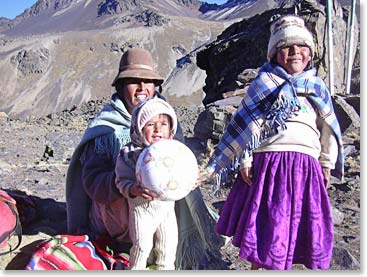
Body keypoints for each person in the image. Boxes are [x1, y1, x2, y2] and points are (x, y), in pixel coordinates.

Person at [204, 15, 344, 270]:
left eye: (301, 46)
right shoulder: (263, 85)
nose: (294, 52)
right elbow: (246, 126)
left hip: (305, 167)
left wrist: (326, 162)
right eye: (286, 47)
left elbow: (328, 130)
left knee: (295, 227)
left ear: (310, 54)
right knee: (266, 230)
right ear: (274, 53)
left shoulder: (316, 88)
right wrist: (245, 160)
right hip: (269, 165)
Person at [65, 47, 225, 269]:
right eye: (133, 81)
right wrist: (130, 185)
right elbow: (92, 180)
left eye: (148, 81)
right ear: (121, 87)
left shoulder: (166, 121)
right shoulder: (106, 131)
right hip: (119, 217)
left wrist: (187, 178)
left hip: (160, 210)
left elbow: (179, 165)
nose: (142, 88)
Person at [115, 98, 179, 270]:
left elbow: (182, 174)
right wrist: (133, 189)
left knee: (168, 245)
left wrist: (189, 182)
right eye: (150, 124)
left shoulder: (174, 152)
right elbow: (121, 180)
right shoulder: (130, 154)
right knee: (142, 246)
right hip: (142, 210)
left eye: (164, 124)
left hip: (166, 209)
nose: (158, 129)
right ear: (139, 128)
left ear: (171, 129)